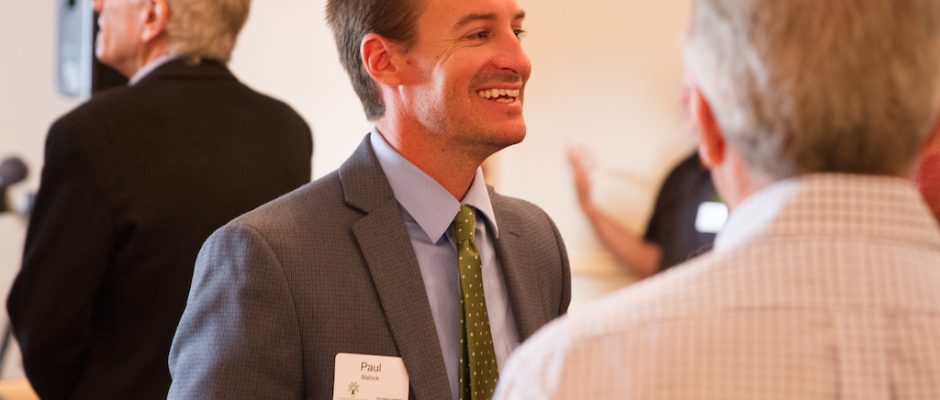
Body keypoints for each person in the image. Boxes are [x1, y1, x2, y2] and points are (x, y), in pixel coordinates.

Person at [495, 0, 940, 398]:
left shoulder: (566, 373)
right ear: (931, 129)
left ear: (703, 122)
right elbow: (653, 257)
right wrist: (592, 209)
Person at [167, 0, 570, 399]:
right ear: (383, 60)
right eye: (478, 34)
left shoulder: (538, 243)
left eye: (517, 32)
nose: (520, 61)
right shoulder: (267, 257)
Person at [6, 0, 313, 398]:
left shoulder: (90, 134)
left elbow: (45, 328)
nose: (96, 6)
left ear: (152, 16)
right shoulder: (287, 131)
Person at [569, 147, 720, 278]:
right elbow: (653, 262)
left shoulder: (732, 174)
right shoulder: (681, 178)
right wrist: (588, 206)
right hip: (677, 299)